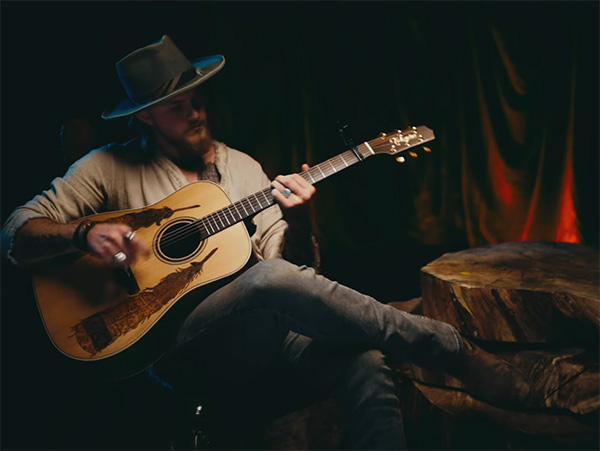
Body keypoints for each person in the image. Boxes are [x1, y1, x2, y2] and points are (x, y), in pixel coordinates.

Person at [1, 35, 532, 449]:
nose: (196, 112)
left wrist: (298, 222)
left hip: (266, 335)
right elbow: (18, 230)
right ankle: (453, 349)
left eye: (196, 98)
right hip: (175, 345)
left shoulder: (244, 168)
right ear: (144, 115)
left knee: (366, 362)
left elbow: (297, 276)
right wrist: (83, 231)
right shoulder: (105, 168)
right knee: (269, 279)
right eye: (176, 106)